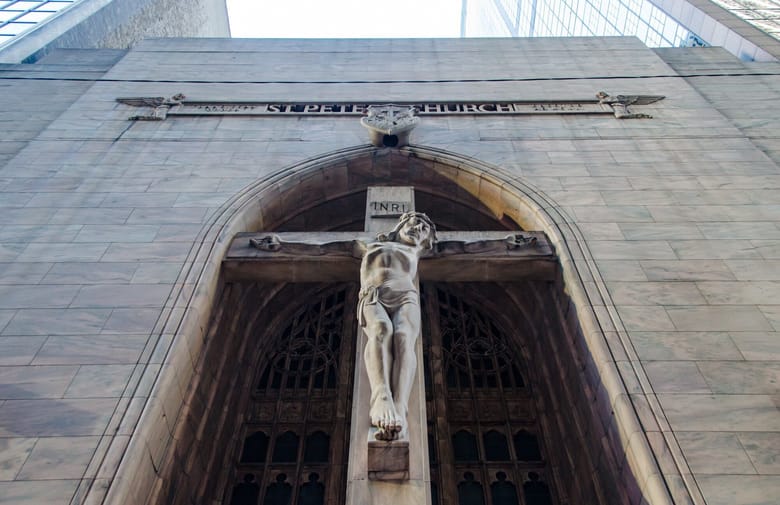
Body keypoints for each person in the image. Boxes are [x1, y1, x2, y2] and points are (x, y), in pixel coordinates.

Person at [356, 211, 435, 441]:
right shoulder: (368, 244)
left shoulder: (416, 250)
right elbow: (319, 246)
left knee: (403, 337)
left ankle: (399, 406)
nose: (418, 229)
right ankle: (381, 396)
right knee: (380, 330)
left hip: (406, 297)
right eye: (415, 223)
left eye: (424, 229)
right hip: (374, 295)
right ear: (401, 224)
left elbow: (474, 247)